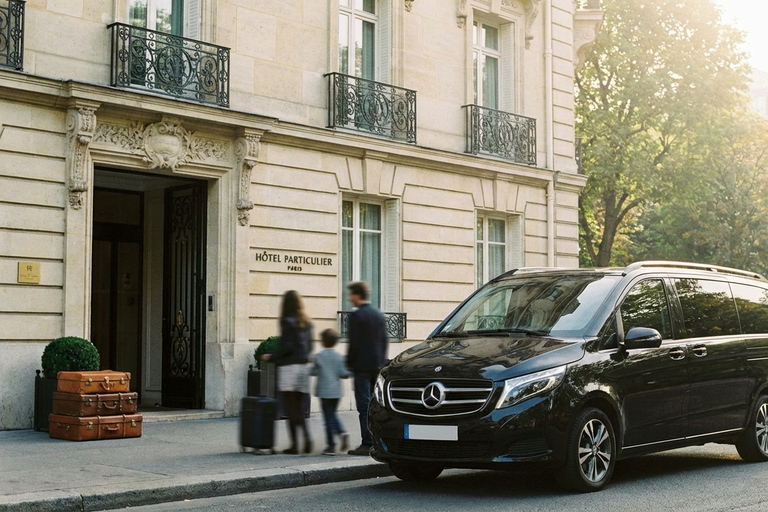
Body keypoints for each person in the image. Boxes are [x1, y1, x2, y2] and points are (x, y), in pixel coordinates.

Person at [261, 290, 313, 455]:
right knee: (299, 407)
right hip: (304, 367)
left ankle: (295, 445)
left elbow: (287, 347)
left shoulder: (287, 321)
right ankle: (307, 438)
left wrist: (271, 356)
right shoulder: (306, 322)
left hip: (290, 367)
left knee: (291, 408)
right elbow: (309, 347)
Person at [345, 281, 388, 455]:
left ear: (357, 295)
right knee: (375, 405)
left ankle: (366, 442)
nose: (350, 298)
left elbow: (354, 343)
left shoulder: (357, 316)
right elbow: (384, 340)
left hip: (361, 366)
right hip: (376, 365)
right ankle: (377, 440)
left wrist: (349, 362)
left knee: (363, 406)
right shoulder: (378, 314)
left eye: (351, 295)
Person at [310, 328, 351, 455]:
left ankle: (331, 445)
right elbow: (344, 374)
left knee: (328, 417)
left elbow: (313, 371)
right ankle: (342, 433)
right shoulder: (339, 357)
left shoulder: (319, 356)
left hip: (324, 391)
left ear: (323, 342)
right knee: (332, 414)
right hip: (336, 392)